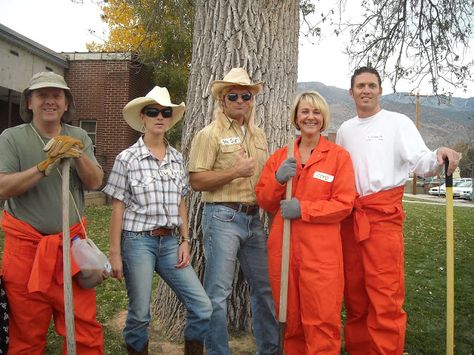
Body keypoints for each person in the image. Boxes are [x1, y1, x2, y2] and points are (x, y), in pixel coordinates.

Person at [336, 66, 461, 354]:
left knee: (385, 297)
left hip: (383, 219)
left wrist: (438, 155)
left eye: (371, 85)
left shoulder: (397, 123)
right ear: (351, 92)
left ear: (380, 89)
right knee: (355, 298)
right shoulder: (344, 130)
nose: (366, 90)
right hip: (351, 219)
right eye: (360, 86)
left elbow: (421, 161)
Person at [0, 71, 105, 354]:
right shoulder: (12, 138)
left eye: (56, 95)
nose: (50, 101)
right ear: (29, 102)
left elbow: (96, 182)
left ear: (66, 103)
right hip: (25, 252)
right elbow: (2, 187)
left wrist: (78, 154)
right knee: (26, 334)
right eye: (41, 95)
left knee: (84, 330)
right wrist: (44, 167)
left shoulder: (79, 135)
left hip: (71, 249)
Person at [103, 86, 212, 355]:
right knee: (140, 314)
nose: (160, 117)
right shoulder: (126, 159)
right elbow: (117, 207)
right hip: (138, 242)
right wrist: (114, 253)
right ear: (143, 117)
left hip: (172, 242)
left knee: (202, 307)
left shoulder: (177, 159)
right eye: (153, 112)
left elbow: (181, 201)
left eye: (165, 112)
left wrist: (185, 239)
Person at [255, 91, 356, 354]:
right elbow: (265, 201)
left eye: (316, 112)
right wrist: (278, 180)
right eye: (305, 112)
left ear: (323, 119)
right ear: (296, 118)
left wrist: (304, 209)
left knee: (322, 321)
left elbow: (344, 204)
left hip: (320, 256)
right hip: (285, 252)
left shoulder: (338, 157)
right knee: (292, 321)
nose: (310, 117)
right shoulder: (281, 157)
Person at [188, 67, 279, 355]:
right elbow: (195, 180)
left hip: (254, 221)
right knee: (217, 295)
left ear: (252, 100)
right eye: (234, 95)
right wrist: (234, 171)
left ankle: (270, 349)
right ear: (222, 100)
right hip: (222, 218)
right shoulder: (208, 134)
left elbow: (265, 178)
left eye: (247, 95)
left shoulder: (259, 136)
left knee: (265, 290)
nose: (241, 100)